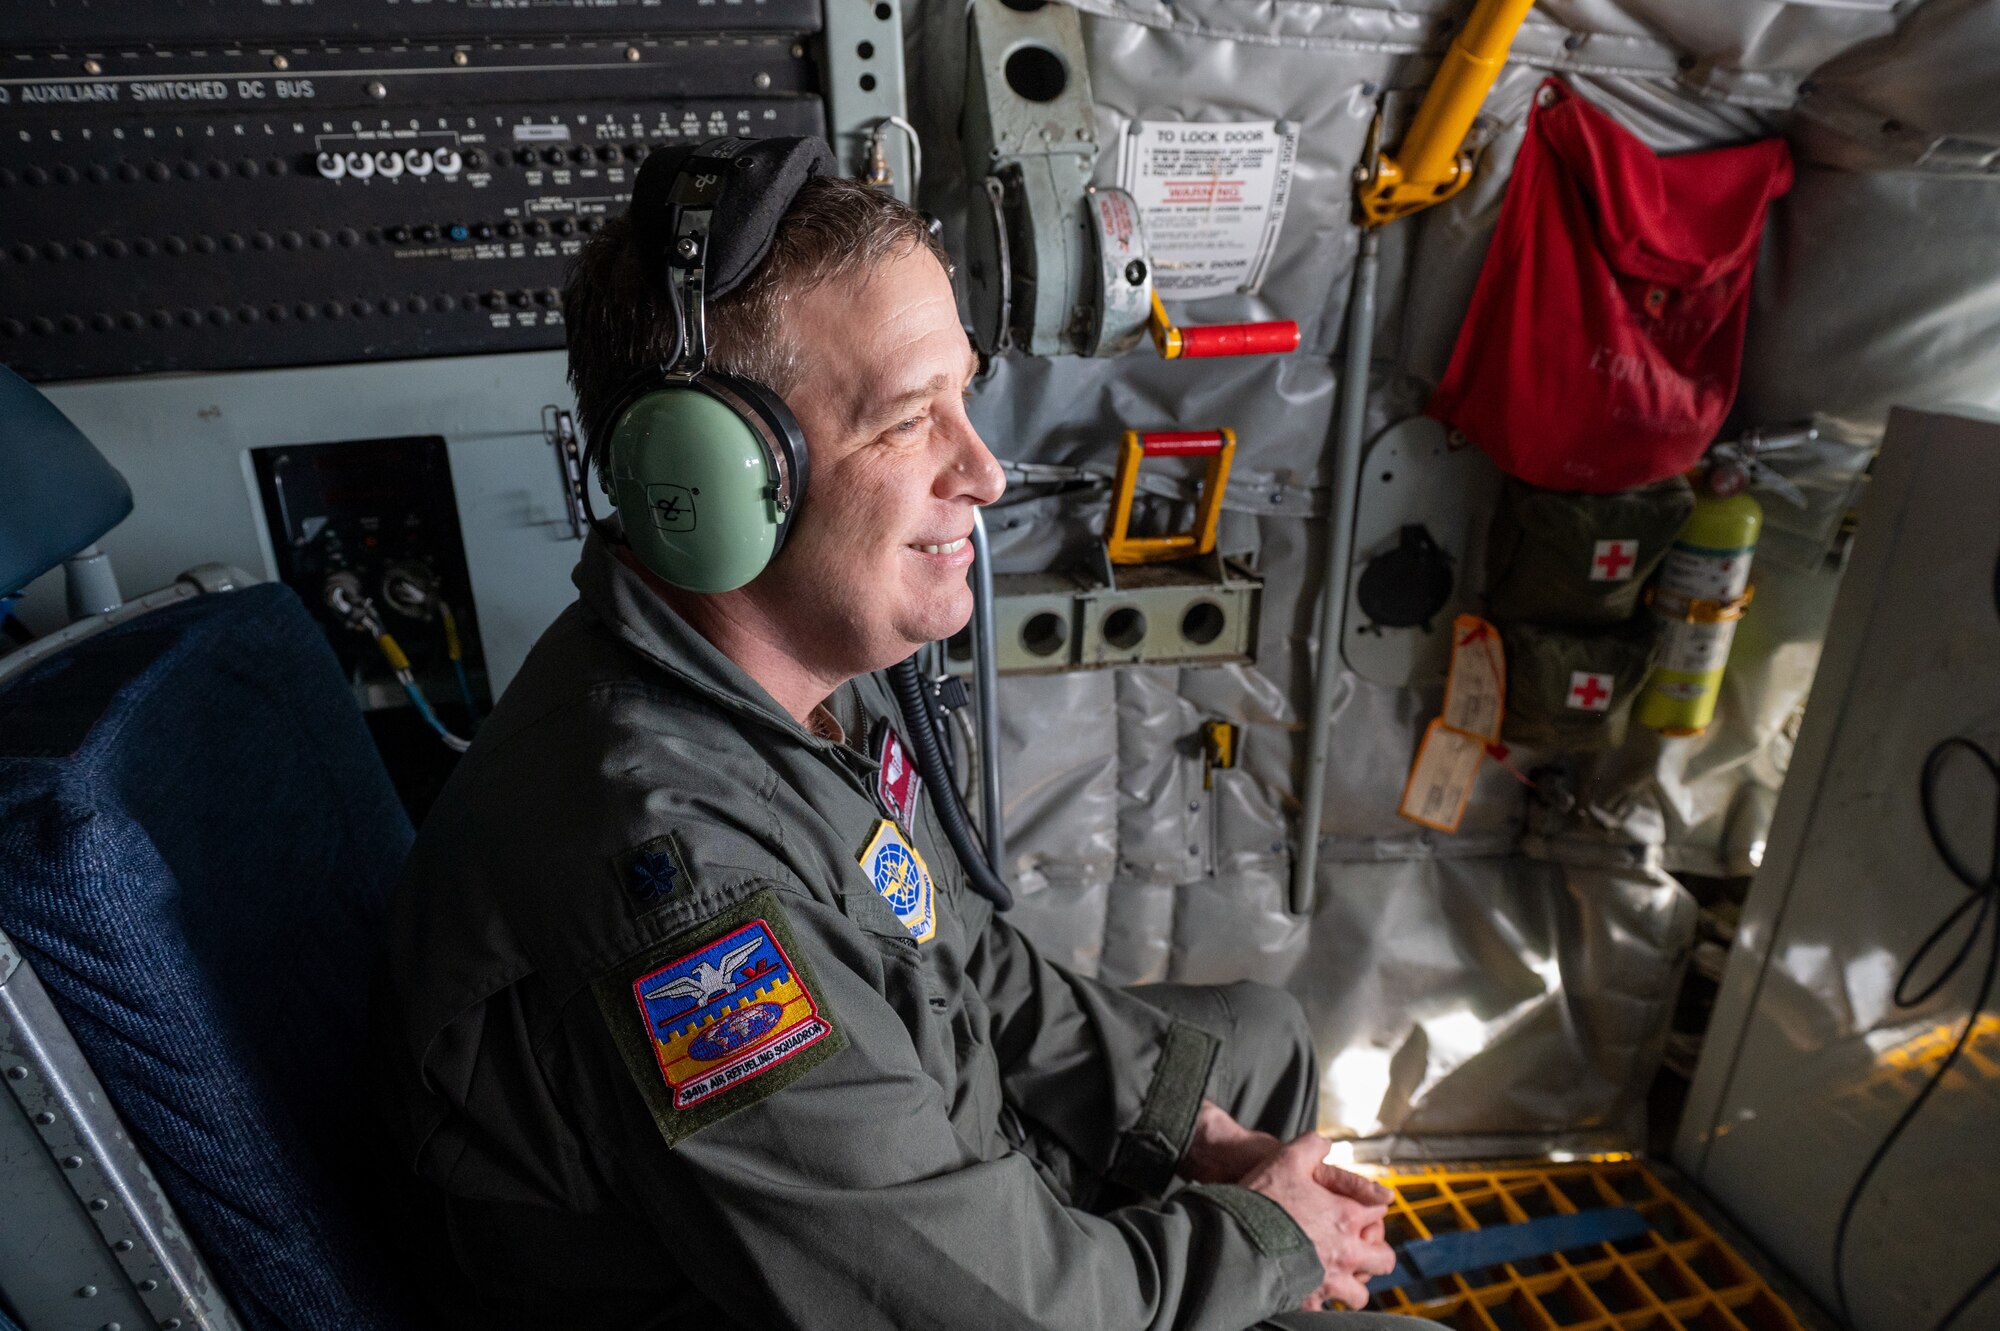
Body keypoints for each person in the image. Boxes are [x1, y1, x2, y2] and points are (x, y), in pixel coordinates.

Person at [370, 136, 1422, 1330]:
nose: (981, 470)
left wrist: (1186, 1123)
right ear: (710, 482)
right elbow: (989, 1312)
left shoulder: (787, 684)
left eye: (962, 400)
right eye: (905, 421)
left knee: (1257, 1050)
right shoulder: (685, 901)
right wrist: (1263, 1239)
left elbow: (958, 945)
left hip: (933, 1158)